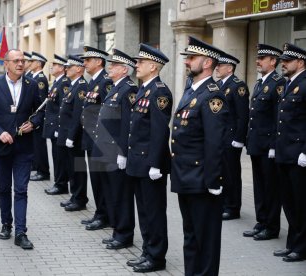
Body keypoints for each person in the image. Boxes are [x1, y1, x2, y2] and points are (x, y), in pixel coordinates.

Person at [171, 36, 228, 276]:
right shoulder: (191, 90)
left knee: (206, 240)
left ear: (206, 63)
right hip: (186, 176)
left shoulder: (212, 96)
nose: (187, 62)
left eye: (191, 58)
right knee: (191, 236)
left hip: (202, 180)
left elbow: (215, 143)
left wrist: (214, 181)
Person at [0, 49, 44, 249]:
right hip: (2, 148)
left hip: (24, 148)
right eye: (16, 61)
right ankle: (6, 223)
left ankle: (21, 232)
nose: (20, 64)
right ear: (6, 64)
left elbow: (41, 111)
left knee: (22, 190)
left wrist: (33, 124)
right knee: (4, 188)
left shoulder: (31, 85)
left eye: (23, 61)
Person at [125, 43, 172, 273]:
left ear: (153, 66)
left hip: (150, 163)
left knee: (154, 212)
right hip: (137, 161)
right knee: (143, 211)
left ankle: (156, 257)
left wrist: (155, 163)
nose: (136, 65)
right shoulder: (143, 89)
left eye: (140, 62)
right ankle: (147, 251)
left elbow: (160, 131)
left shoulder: (160, 92)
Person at [91, 49, 138, 250]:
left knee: (121, 195)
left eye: (114, 65)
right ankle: (117, 230)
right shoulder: (115, 87)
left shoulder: (129, 90)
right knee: (111, 193)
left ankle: (124, 234)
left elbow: (128, 125)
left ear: (124, 70)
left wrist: (123, 153)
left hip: (116, 151)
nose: (109, 68)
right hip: (106, 150)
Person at [244, 44, 284, 241]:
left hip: (268, 146)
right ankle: (261, 221)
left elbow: (279, 119)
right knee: (259, 186)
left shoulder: (278, 83)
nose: (258, 61)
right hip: (257, 144)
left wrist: (274, 146)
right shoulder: (260, 83)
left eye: (263, 58)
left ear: (273, 61)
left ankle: (271, 226)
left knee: (271, 188)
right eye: (257, 57)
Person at [273, 43, 306, 262]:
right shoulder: (289, 84)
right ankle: (292, 242)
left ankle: (301, 247)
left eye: (287, 60)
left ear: (300, 62)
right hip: (285, 152)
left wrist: (305, 150)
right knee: (289, 202)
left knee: (301, 203)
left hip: (299, 155)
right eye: (282, 60)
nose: (282, 64)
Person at [80, 46, 113, 231]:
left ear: (99, 61)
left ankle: (104, 215)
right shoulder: (93, 81)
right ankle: (100, 212)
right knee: (96, 180)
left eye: (88, 60)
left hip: (101, 141)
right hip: (91, 138)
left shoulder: (105, 82)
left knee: (102, 180)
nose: (84, 63)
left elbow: (108, 113)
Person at [215, 52, 249, 220]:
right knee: (221, 172)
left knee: (232, 174)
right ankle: (223, 203)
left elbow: (243, 116)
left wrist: (239, 139)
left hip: (231, 138)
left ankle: (233, 207)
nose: (217, 68)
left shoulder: (238, 86)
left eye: (220, 66)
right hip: (220, 137)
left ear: (230, 68)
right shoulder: (218, 85)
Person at [57, 55, 89, 211]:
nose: (66, 69)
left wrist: (71, 136)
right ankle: (74, 195)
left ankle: (80, 198)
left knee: (78, 168)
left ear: (78, 69)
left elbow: (78, 114)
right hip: (67, 134)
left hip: (75, 136)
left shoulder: (82, 86)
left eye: (69, 67)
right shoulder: (73, 85)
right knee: (71, 167)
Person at [44, 54, 71, 195]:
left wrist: (58, 128)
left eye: (54, 65)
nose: (51, 67)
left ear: (61, 68)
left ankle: (61, 184)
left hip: (58, 128)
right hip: (53, 127)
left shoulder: (64, 83)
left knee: (60, 158)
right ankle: (58, 182)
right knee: (56, 156)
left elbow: (62, 108)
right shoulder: (56, 82)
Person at [28, 51, 50, 181]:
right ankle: (37, 168)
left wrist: (35, 118)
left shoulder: (40, 79)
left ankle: (43, 172)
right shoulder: (34, 76)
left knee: (40, 146)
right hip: (33, 117)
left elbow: (40, 103)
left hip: (38, 118)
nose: (29, 64)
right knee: (35, 145)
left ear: (38, 64)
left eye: (32, 62)